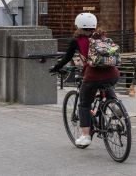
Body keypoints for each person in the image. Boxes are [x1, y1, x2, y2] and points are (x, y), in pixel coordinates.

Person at [49, 13, 120, 147]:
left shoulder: (77, 40)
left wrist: (56, 68)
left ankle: (86, 136)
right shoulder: (102, 37)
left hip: (93, 76)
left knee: (84, 104)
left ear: (78, 25)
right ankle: (114, 104)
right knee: (106, 84)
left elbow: (66, 58)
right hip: (113, 74)